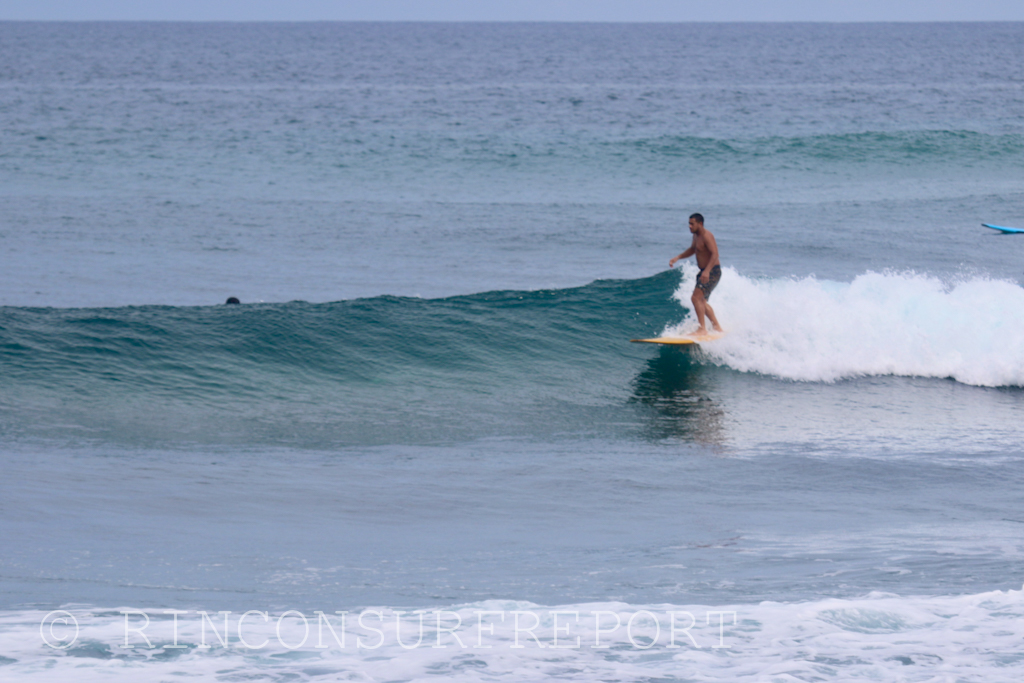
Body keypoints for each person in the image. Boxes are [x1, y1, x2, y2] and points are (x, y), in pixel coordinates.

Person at [668, 213, 723, 336]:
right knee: (702, 301)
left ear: (700, 224)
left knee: (695, 298)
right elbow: (693, 249)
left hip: (712, 271)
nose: (689, 226)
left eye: (692, 224)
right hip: (705, 271)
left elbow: (715, 254)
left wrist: (707, 271)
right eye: (689, 223)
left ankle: (702, 329)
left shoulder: (707, 236)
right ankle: (717, 328)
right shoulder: (696, 236)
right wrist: (678, 257)